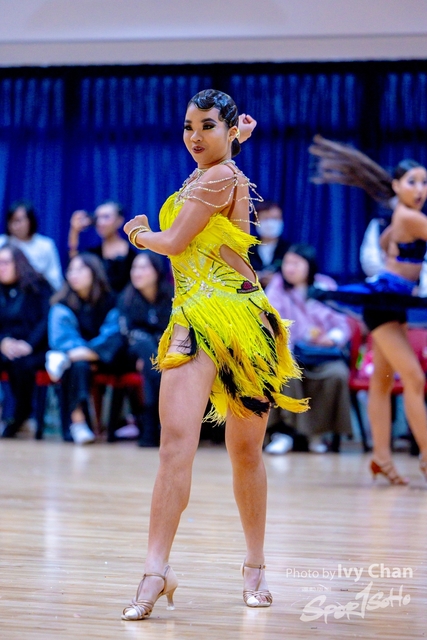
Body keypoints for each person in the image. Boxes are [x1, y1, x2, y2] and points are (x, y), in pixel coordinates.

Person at [119, 90, 307, 620]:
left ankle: (255, 565)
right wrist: (236, 137)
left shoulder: (221, 176)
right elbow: (217, 168)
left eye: (207, 126)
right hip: (192, 320)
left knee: (245, 452)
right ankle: (155, 569)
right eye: (188, 126)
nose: (194, 136)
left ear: (225, 130)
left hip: (242, 321)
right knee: (173, 447)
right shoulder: (215, 172)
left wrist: (138, 233)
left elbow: (176, 242)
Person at [309, 134, 427, 484]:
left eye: (424, 183)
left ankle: (381, 458)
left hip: (394, 303)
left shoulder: (400, 218)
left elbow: (389, 246)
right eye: (412, 182)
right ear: (397, 186)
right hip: (382, 304)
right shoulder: (410, 218)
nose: (420, 189)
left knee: (381, 381)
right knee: (414, 379)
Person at [265, 244, 353, 454]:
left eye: (296, 263)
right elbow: (272, 323)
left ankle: (317, 434)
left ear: (309, 266)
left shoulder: (325, 286)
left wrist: (332, 338)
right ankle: (284, 433)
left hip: (322, 354)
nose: (290, 268)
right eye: (287, 263)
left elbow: (343, 324)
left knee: (337, 374)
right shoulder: (277, 287)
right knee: (286, 370)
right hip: (290, 352)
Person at [47, 253, 122, 444]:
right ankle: (78, 420)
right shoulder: (61, 304)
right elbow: (62, 340)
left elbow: (113, 337)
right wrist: (85, 355)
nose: (74, 274)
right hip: (76, 359)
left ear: (94, 272)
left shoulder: (111, 300)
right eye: (71, 270)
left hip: (107, 357)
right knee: (78, 366)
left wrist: (91, 354)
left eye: (80, 269)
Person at [116, 252, 173, 446]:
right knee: (144, 346)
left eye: (143, 267)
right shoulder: (126, 298)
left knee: (150, 364)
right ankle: (156, 424)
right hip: (130, 355)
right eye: (134, 268)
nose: (137, 272)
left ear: (156, 271)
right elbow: (126, 333)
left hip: (164, 354)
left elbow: (174, 331)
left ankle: (150, 428)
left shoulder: (171, 296)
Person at [0, 244, 52, 438]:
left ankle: (21, 416)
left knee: (21, 365)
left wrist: (29, 344)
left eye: (5, 262)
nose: (1, 268)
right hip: (5, 346)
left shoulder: (39, 286)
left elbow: (46, 319)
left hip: (35, 347)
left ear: (19, 263)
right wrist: (2, 342)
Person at [68, 200, 136, 293]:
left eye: (106, 217)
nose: (100, 222)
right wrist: (74, 232)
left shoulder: (133, 252)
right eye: (97, 218)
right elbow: (74, 263)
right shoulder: (93, 253)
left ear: (119, 220)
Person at [0, 200, 63, 290]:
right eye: (11, 221)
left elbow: (55, 280)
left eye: (19, 221)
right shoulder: (2, 242)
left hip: (36, 292)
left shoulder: (45, 246)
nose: (15, 225)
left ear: (30, 221)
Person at [249, 201, 289, 288]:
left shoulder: (290, 250)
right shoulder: (246, 248)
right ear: (255, 221)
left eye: (275, 218)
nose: (270, 224)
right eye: (265, 218)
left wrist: (277, 279)